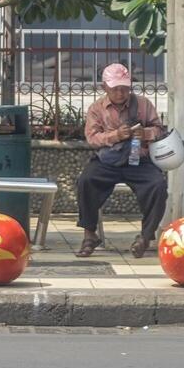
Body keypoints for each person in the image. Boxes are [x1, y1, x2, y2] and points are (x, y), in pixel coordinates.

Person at [75, 63, 167, 259]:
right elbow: (92, 138)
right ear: (105, 88)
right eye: (115, 88)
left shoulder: (143, 104)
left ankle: (145, 236)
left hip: (139, 160)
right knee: (86, 181)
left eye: (124, 88)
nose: (120, 93)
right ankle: (89, 234)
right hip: (107, 161)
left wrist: (146, 133)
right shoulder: (96, 109)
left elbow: (159, 130)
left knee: (158, 185)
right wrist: (116, 135)